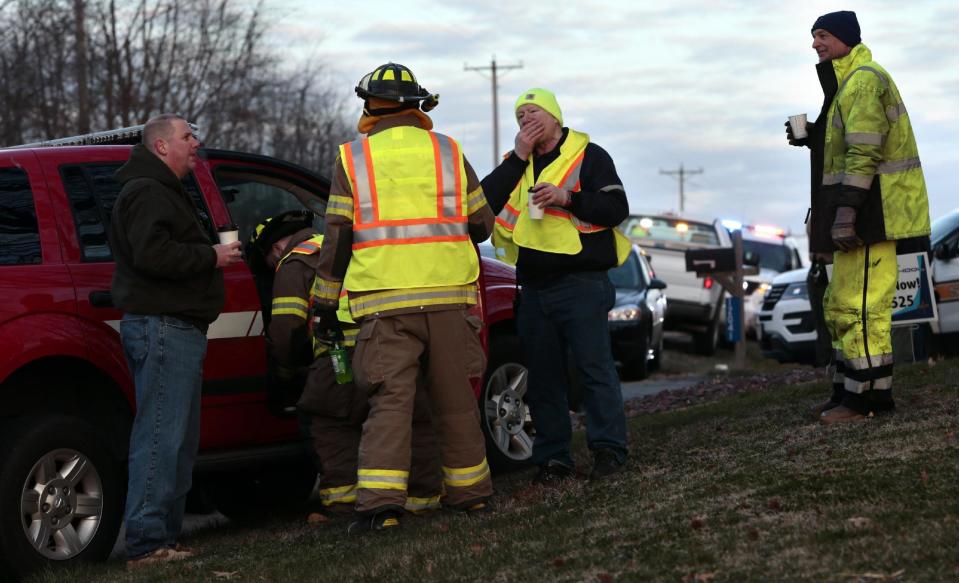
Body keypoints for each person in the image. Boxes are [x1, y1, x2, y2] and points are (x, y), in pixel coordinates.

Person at [311, 63, 495, 533]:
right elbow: (482, 224)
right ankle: (471, 495)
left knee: (390, 402)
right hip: (449, 297)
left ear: (370, 106)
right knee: (455, 399)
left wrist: (326, 303)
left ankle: (380, 508)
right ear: (418, 105)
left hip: (383, 304)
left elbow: (337, 240)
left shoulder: (352, 159)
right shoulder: (449, 151)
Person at [109, 114, 243, 567]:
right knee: (162, 436)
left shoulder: (161, 189)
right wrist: (212, 255)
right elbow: (152, 254)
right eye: (187, 136)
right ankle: (146, 542)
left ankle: (163, 536)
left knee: (178, 439)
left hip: (176, 326)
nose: (195, 142)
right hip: (162, 325)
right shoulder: (146, 191)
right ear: (162, 146)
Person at [249, 211, 443, 519]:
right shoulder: (352, 244)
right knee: (408, 418)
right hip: (392, 347)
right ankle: (423, 497)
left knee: (332, 424)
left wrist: (285, 374)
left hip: (340, 358)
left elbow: (287, 329)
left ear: (275, 248)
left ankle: (346, 504)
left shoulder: (294, 262)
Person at [786, 11, 931, 424]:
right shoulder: (846, 84)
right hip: (859, 214)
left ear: (846, 38)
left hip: (873, 215)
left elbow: (865, 152)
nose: (816, 44)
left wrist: (846, 213)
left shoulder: (864, 80)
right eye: (814, 36)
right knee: (842, 305)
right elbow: (848, 145)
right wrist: (814, 136)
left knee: (863, 308)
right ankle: (848, 393)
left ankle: (868, 401)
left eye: (823, 35)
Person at [481, 88, 632, 483]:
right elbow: (483, 204)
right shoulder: (516, 162)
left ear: (554, 117)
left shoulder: (589, 155)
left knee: (593, 370)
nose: (526, 120)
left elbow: (616, 209)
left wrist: (567, 197)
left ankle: (609, 451)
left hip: (581, 283)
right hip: (532, 287)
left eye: (533, 113)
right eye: (519, 116)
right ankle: (553, 459)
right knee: (543, 378)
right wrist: (516, 156)